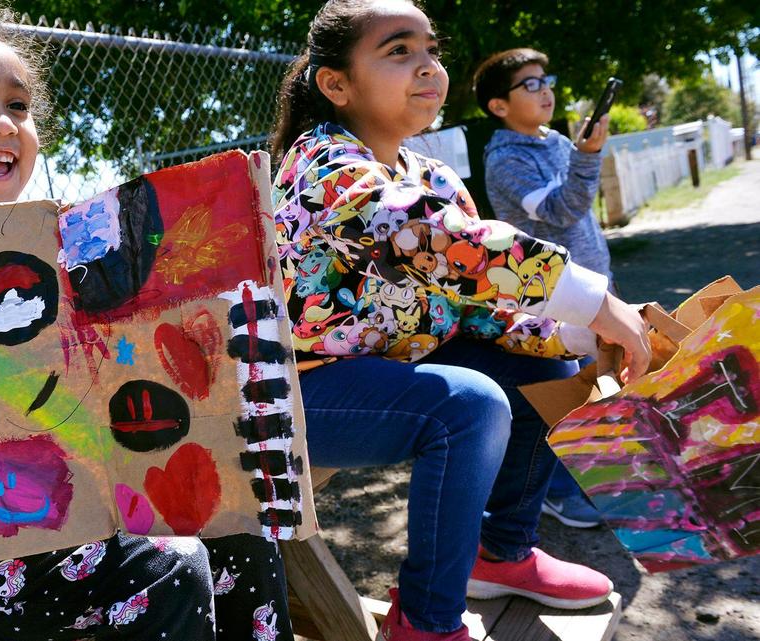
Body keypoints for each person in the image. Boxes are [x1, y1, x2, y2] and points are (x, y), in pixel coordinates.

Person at [0, 1, 292, 639]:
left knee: (244, 533)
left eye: (19, 106)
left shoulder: (53, 247)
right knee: (173, 567)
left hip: (86, 509)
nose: (1, 121)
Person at [269, 1, 650, 639]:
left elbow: (474, 307)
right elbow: (448, 243)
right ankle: (424, 620)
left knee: (544, 367)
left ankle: (500, 553)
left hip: (381, 368)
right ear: (336, 84)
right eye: (398, 51)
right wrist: (598, 301)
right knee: (469, 405)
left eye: (430, 50)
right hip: (297, 389)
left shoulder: (429, 172)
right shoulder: (324, 164)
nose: (428, 67)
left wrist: (582, 335)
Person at [474, 48, 611, 529]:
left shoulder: (554, 141)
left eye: (545, 79)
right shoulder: (506, 160)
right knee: (560, 396)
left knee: (595, 388)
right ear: (499, 107)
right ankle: (554, 492)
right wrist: (588, 158)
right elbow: (561, 211)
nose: (545, 89)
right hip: (551, 299)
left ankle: (588, 482)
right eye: (529, 84)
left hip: (592, 291)